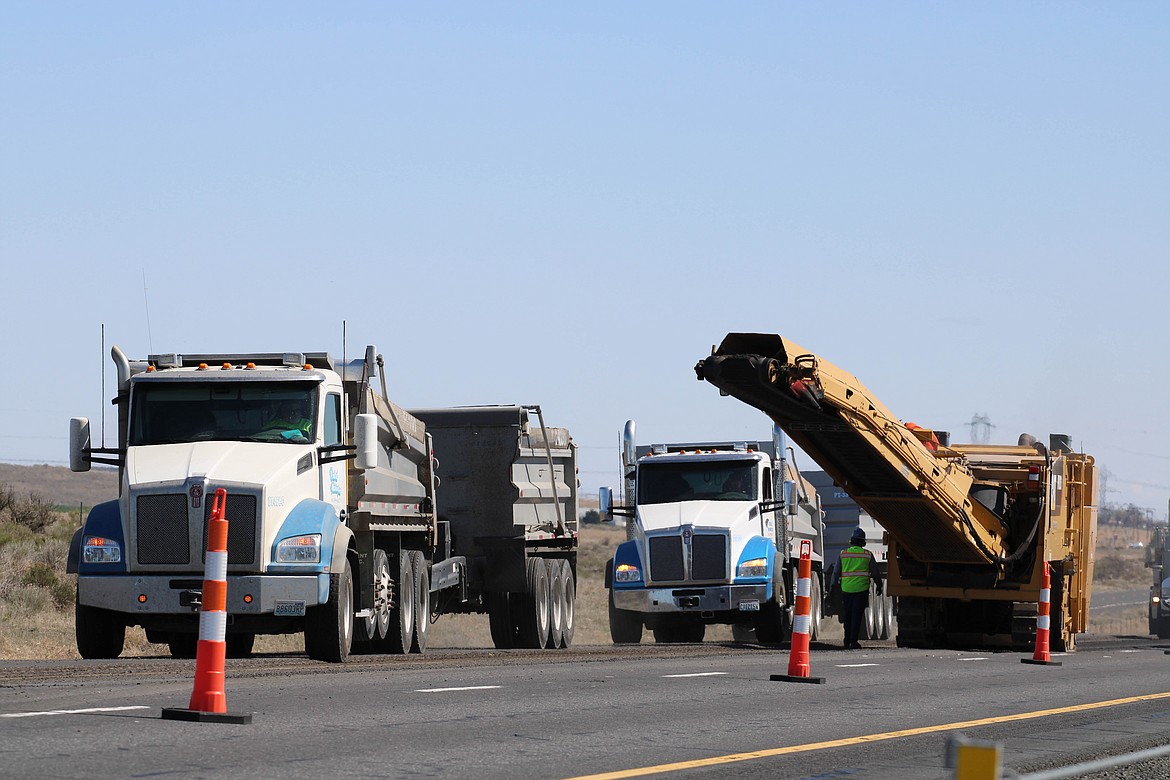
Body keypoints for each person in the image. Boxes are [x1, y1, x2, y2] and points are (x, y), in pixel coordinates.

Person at [831, 527, 883, 649]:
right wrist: (879, 585)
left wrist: (832, 587)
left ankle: (846, 640)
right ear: (863, 543)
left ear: (851, 541)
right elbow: (875, 573)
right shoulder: (867, 555)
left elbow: (835, 572)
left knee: (847, 615)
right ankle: (854, 641)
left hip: (846, 590)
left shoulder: (843, 554)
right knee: (856, 616)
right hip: (861, 591)